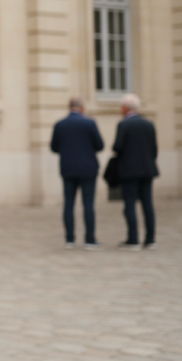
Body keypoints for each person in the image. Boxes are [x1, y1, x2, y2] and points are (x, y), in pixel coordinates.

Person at [50, 97, 104, 249]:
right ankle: (90, 239)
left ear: (69, 108)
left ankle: (69, 239)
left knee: (68, 204)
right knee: (88, 204)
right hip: (88, 169)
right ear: (82, 108)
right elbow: (99, 145)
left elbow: (54, 147)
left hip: (68, 168)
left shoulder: (60, 124)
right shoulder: (89, 123)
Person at [112, 93, 158, 250]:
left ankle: (133, 239)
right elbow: (154, 149)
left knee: (130, 204)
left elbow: (118, 147)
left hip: (129, 171)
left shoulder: (123, 125)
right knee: (147, 204)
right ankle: (150, 239)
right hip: (147, 170)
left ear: (125, 108)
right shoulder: (148, 123)